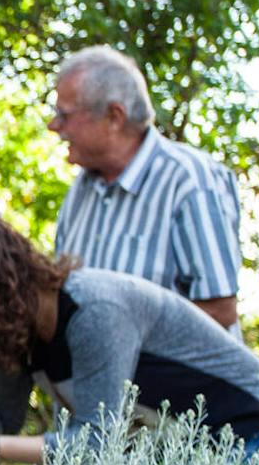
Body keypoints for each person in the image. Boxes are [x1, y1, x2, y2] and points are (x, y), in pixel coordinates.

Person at [0, 210, 259, 465]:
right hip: (183, 458)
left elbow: (96, 442)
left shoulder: (93, 310)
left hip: (249, 436)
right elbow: (2, 419)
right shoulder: (16, 328)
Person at [48, 46, 245, 335]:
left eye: (64, 115)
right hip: (106, 380)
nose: (54, 126)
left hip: (181, 379)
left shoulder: (189, 180)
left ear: (114, 116)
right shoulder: (83, 187)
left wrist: (121, 347)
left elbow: (219, 310)